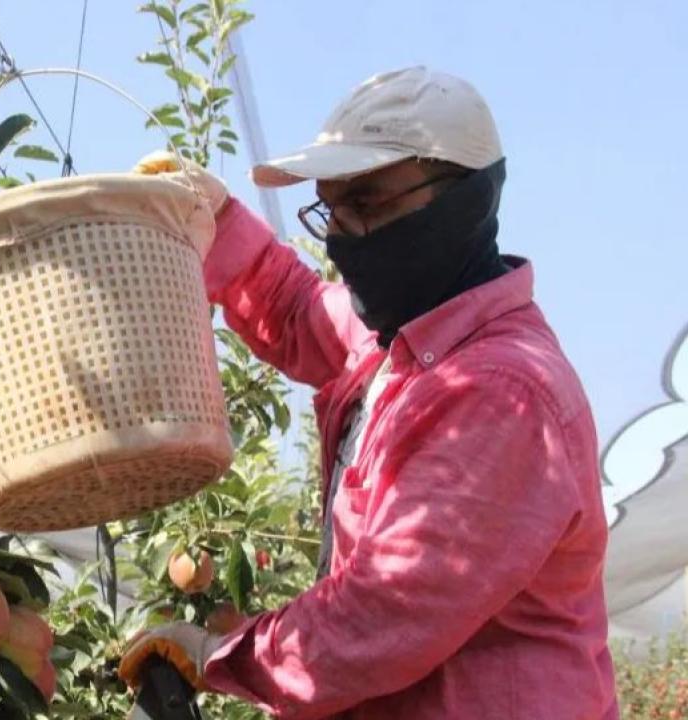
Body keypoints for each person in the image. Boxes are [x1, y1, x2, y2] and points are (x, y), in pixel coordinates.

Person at [120, 66, 618, 718]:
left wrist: (223, 652)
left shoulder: (499, 393)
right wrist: (213, 217)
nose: (341, 234)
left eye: (369, 201)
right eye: (331, 206)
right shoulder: (406, 345)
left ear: (467, 198)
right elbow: (297, 308)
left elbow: (382, 616)